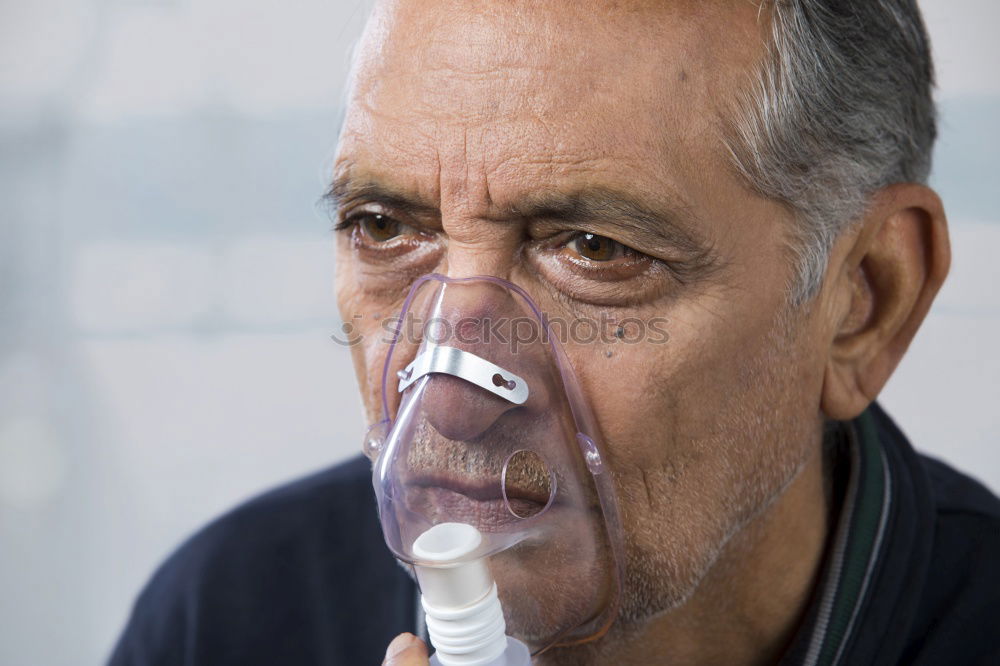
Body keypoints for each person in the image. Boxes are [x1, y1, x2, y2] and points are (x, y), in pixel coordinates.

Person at [109, 1, 1000, 665]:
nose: (451, 406)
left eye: (592, 249)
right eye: (384, 227)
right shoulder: (227, 619)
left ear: (866, 300)